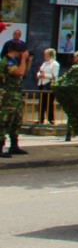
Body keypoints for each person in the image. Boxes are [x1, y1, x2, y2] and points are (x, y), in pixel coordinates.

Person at [0, 27, 31, 157]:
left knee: (15, 121)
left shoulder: (16, 61)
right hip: (7, 95)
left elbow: (23, 74)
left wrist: (28, 61)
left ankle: (14, 145)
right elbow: (18, 72)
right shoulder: (6, 62)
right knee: (4, 121)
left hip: (15, 95)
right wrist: (23, 60)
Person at [36, 48, 59, 124]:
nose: (44, 56)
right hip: (42, 84)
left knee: (49, 102)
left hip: (49, 84)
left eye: (46, 54)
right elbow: (39, 71)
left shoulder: (55, 64)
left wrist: (45, 75)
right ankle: (40, 119)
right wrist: (39, 75)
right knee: (42, 102)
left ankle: (51, 119)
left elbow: (54, 76)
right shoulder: (45, 63)